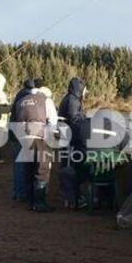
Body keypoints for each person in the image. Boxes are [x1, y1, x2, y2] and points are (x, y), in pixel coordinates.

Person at [15, 82, 59, 212]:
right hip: (39, 138)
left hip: (23, 138)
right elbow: (53, 120)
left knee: (28, 169)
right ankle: (40, 202)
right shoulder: (45, 100)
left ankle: (30, 201)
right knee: (42, 170)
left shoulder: (21, 100)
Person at [57, 77, 88, 209]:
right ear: (80, 89)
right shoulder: (72, 101)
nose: (86, 92)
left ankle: (71, 197)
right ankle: (73, 199)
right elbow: (75, 120)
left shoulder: (70, 99)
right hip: (70, 140)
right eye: (85, 90)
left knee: (69, 167)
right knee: (71, 168)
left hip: (66, 138)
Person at [10, 79, 36, 201]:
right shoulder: (27, 97)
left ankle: (17, 191)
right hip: (20, 133)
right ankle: (22, 193)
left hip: (14, 132)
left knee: (18, 164)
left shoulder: (19, 95)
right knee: (22, 165)